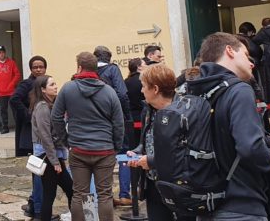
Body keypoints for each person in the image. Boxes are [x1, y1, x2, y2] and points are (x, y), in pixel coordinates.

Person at [188, 32, 270, 221]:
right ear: (230, 50)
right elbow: (250, 147)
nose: (251, 63)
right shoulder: (239, 90)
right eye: (246, 55)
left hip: (205, 202)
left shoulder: (194, 92)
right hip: (241, 203)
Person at [51, 51, 123, 221]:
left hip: (78, 148)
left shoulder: (68, 88)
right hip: (105, 149)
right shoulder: (109, 91)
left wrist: (65, 141)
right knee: (105, 195)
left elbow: (56, 117)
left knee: (80, 194)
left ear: (79, 67)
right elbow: (119, 123)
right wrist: (116, 146)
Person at [127, 63, 179, 221]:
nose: (141, 90)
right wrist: (137, 152)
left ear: (155, 89)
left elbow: (180, 153)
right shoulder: (148, 110)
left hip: (177, 185)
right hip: (152, 183)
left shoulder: (182, 113)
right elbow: (146, 139)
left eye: (143, 86)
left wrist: (150, 160)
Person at [93, 45, 133, 207]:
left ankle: (105, 196)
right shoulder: (113, 70)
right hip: (115, 119)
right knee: (123, 154)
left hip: (98, 121)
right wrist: (126, 115)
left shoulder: (91, 73)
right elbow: (122, 93)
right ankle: (124, 194)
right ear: (109, 57)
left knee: (103, 157)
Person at [31, 74, 73, 221]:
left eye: (55, 83)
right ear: (43, 90)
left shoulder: (52, 105)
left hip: (55, 156)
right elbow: (45, 136)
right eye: (52, 84)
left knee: (67, 190)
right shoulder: (42, 107)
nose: (56, 86)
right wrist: (55, 161)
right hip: (48, 157)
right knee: (51, 194)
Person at [13, 56, 49, 218]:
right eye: (35, 67)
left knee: (41, 170)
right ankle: (36, 206)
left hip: (45, 132)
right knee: (38, 169)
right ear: (31, 69)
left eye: (41, 66)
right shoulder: (26, 84)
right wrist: (28, 116)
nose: (38, 69)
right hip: (33, 133)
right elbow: (14, 100)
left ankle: (33, 203)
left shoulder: (47, 82)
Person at [0, 45, 20, 135]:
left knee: (15, 109)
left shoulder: (11, 63)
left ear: (5, 53)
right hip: (0, 92)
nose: (1, 54)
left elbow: (17, 75)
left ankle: (18, 126)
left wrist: (11, 84)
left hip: (12, 91)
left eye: (2, 52)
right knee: (3, 111)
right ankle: (5, 127)